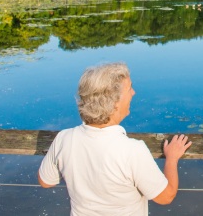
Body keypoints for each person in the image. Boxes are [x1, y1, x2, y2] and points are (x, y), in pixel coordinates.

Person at [38, 62, 192, 216]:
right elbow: (166, 197)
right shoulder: (132, 150)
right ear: (114, 102)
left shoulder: (64, 138)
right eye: (129, 88)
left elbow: (46, 181)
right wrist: (171, 158)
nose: (134, 93)